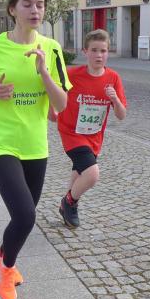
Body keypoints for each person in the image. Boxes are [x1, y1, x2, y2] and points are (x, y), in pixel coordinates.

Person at [0, 0, 71, 299]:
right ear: (13, 9)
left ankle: (3, 256)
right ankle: (6, 268)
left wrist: (44, 73)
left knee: (24, 215)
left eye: (39, 4)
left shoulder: (52, 49)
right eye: (27, 4)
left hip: (34, 144)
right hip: (0, 141)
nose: (34, 10)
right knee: (26, 215)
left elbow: (61, 105)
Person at [53, 29, 127, 228]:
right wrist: (52, 110)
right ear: (85, 51)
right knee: (92, 174)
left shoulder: (113, 78)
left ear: (108, 52)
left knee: (79, 173)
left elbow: (121, 115)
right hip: (71, 132)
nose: (99, 55)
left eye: (103, 51)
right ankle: (69, 202)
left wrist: (115, 99)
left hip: (94, 136)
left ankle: (66, 207)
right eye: (94, 50)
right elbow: (53, 89)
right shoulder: (72, 74)